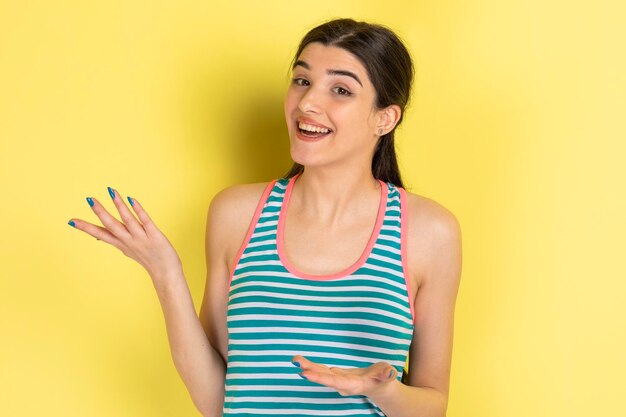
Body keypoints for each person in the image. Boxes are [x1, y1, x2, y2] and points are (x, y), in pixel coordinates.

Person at [68, 18, 462, 417]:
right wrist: (165, 272)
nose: (307, 103)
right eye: (302, 81)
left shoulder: (429, 232)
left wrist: (381, 391)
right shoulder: (236, 214)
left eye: (340, 89)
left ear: (385, 118)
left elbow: (433, 405)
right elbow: (216, 399)